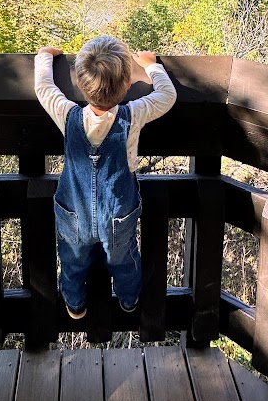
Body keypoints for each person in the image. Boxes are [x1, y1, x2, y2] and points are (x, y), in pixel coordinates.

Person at [34, 36, 177, 319]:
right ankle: (128, 299)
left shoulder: (67, 115)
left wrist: (44, 55)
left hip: (74, 212)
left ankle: (75, 305)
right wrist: (152, 66)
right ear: (126, 85)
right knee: (123, 260)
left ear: (81, 82)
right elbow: (167, 96)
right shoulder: (133, 115)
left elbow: (44, 87)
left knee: (72, 261)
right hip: (118, 214)